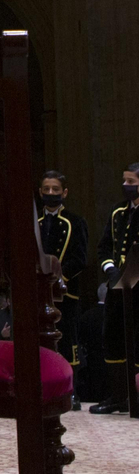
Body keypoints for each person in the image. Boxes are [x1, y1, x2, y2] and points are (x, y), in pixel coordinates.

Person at [89, 163, 139, 414]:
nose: (126, 186)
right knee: (113, 338)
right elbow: (104, 247)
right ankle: (119, 396)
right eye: (125, 181)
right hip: (118, 286)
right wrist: (110, 270)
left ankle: (137, 397)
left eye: (131, 182)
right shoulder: (118, 212)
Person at [37, 170, 88, 408]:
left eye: (55, 190)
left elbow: (80, 258)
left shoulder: (75, 222)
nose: (50, 194)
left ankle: (71, 390)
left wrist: (59, 278)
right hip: (38, 293)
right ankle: (42, 387)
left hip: (65, 291)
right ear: (40, 192)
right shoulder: (34, 222)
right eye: (46, 189)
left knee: (68, 340)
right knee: (40, 340)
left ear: (64, 193)